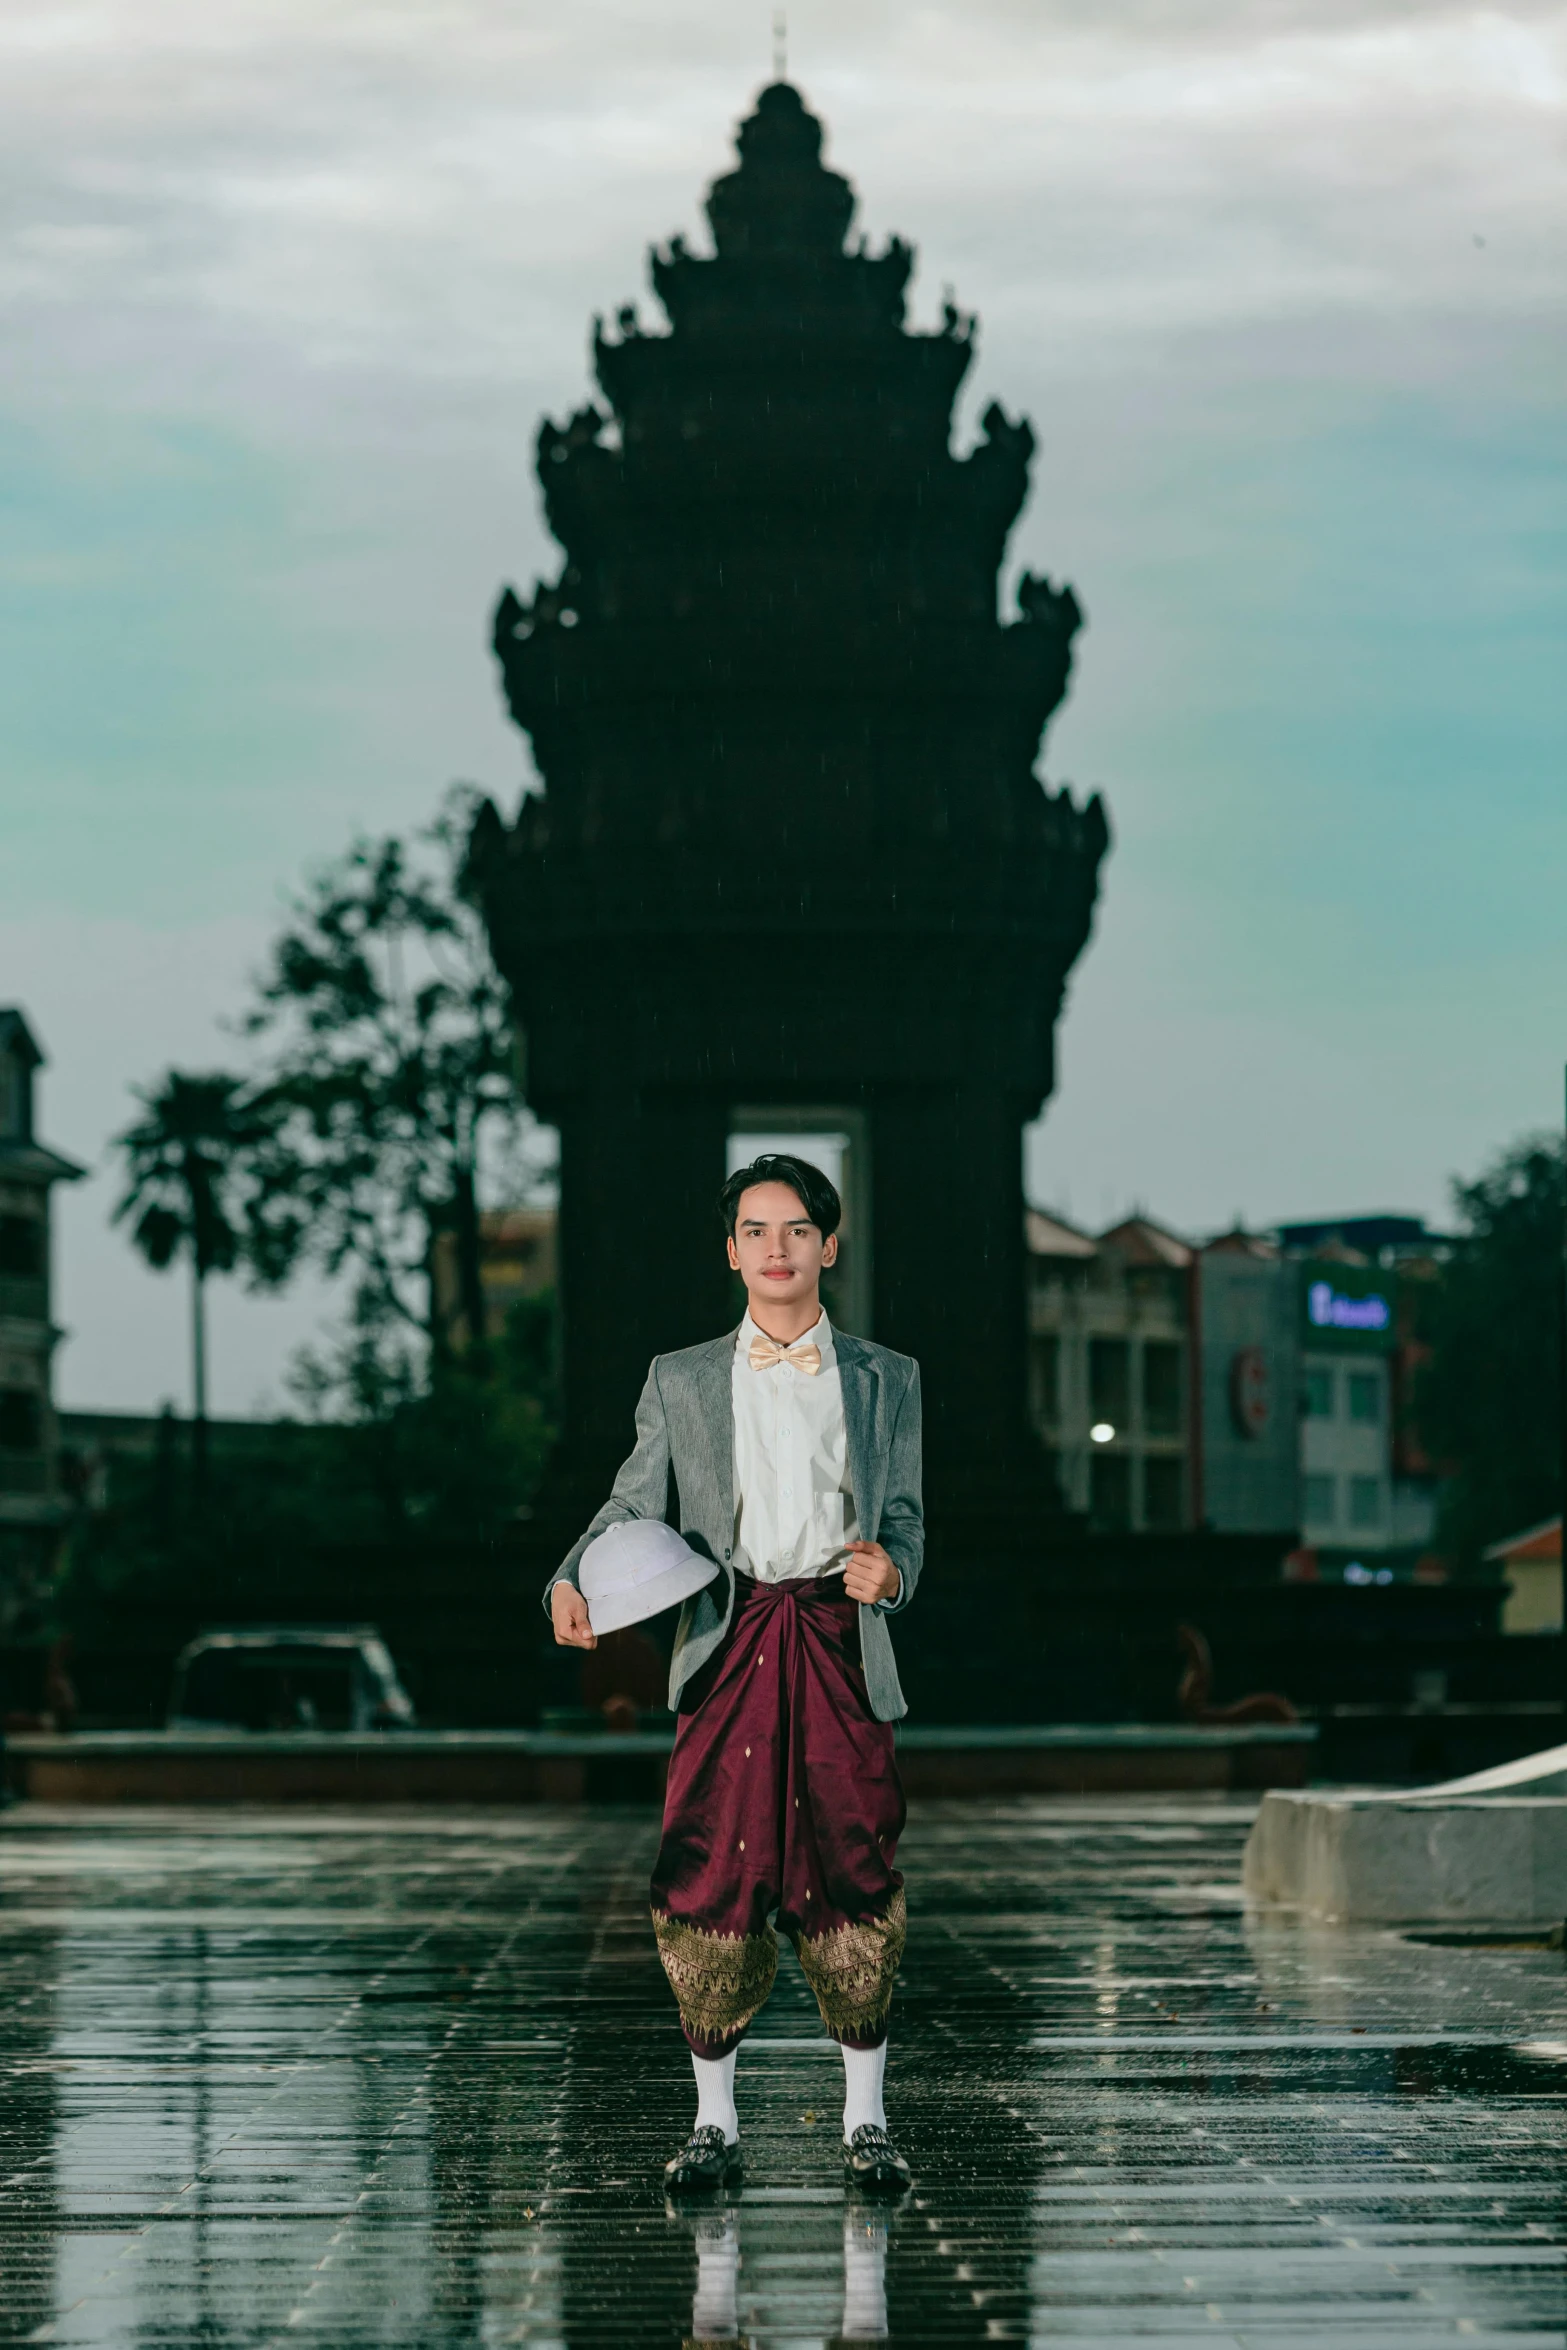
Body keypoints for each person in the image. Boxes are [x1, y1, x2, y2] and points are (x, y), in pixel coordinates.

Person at [547, 1153, 921, 2196]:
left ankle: (867, 2123)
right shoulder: (681, 1376)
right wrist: (569, 1577)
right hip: (728, 1639)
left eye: (796, 1230)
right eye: (755, 1230)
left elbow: (905, 1522)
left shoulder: (890, 1376)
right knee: (711, 1865)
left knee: (852, 1858)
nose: (775, 1249)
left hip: (840, 1640)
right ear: (730, 1252)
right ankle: (712, 2126)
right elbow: (630, 1502)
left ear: (828, 1245)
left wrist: (894, 1572)